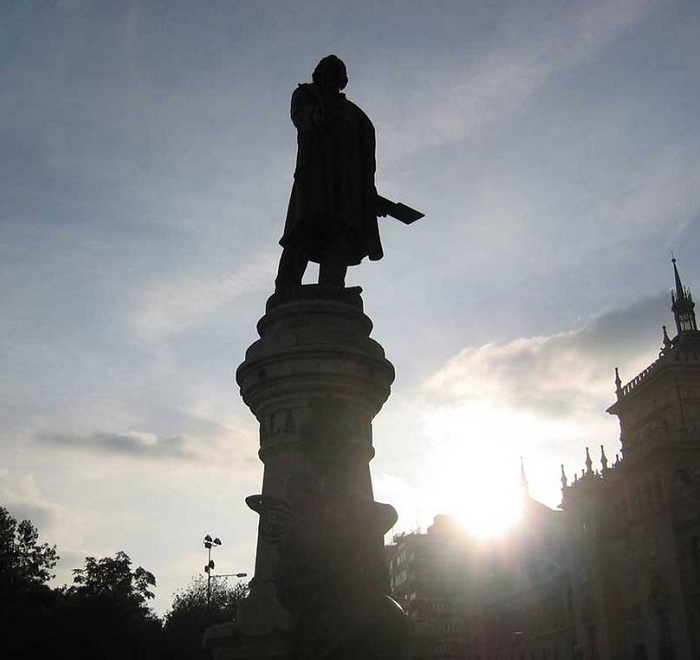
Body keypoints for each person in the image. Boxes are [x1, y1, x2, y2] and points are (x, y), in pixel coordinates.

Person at [275, 55, 384, 290]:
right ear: (318, 74)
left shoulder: (356, 115)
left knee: (339, 236)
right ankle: (286, 288)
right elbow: (303, 118)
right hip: (314, 180)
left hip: (346, 188)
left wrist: (370, 195)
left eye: (337, 73)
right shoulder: (307, 96)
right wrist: (318, 116)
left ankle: (333, 288)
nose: (332, 76)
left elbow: (367, 159)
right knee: (302, 232)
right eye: (328, 71)